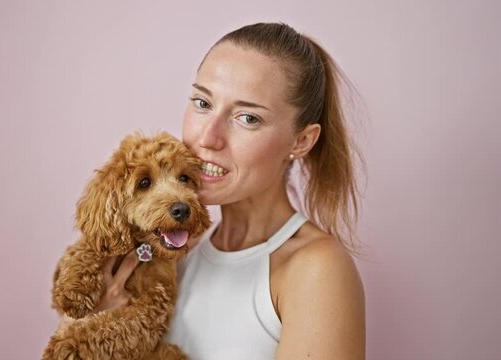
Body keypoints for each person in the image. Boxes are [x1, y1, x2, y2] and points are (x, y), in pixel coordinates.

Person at [77, 22, 366, 359]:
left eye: (247, 118)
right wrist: (93, 328)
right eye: (202, 103)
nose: (208, 138)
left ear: (301, 141)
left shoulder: (316, 270)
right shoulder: (172, 253)